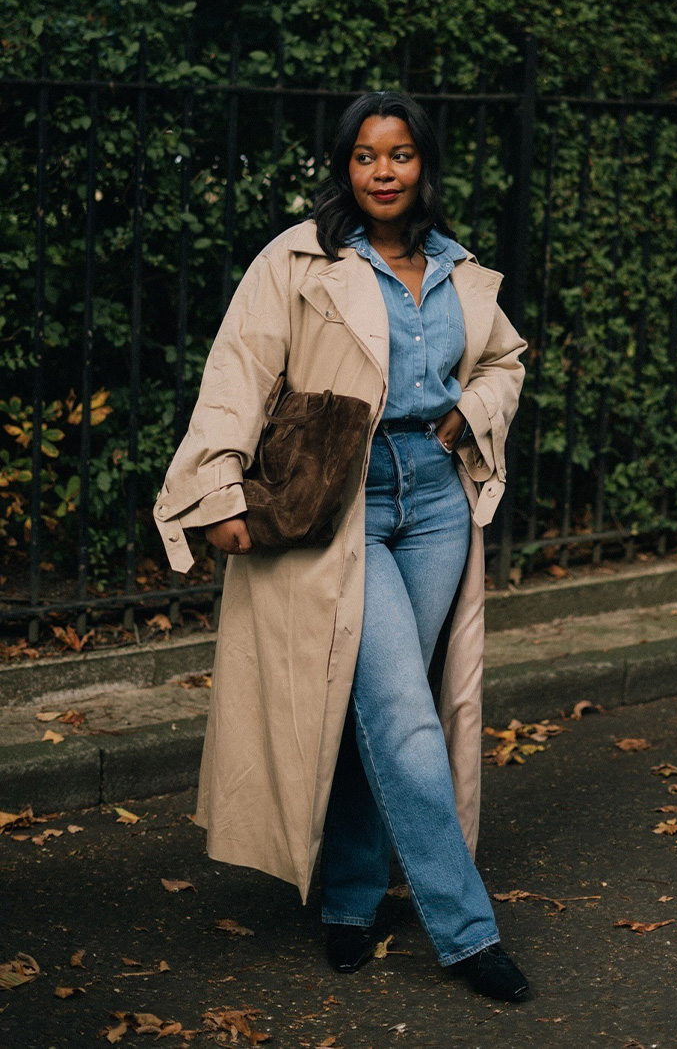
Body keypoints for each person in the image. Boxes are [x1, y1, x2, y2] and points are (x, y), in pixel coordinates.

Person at [153, 90, 529, 1001]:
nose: (383, 171)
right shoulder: (300, 258)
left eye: (399, 155)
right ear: (345, 166)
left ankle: (353, 901)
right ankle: (467, 930)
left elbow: (503, 362)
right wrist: (216, 485)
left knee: (377, 712)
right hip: (340, 499)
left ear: (423, 164)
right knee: (401, 708)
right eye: (365, 156)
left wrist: (464, 418)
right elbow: (241, 365)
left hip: (435, 499)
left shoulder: (458, 267)